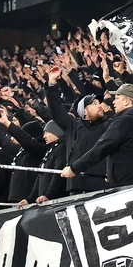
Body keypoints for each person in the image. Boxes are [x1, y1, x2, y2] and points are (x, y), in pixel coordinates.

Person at [62, 83, 133, 186]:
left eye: (117, 98)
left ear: (126, 101)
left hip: (127, 181)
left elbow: (103, 146)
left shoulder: (125, 120)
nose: (113, 102)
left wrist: (74, 168)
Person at [46, 65, 109, 193]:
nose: (99, 106)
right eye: (94, 104)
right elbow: (56, 110)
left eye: (99, 103)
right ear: (84, 111)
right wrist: (52, 83)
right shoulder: (72, 125)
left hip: (101, 184)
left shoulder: (109, 125)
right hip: (76, 184)